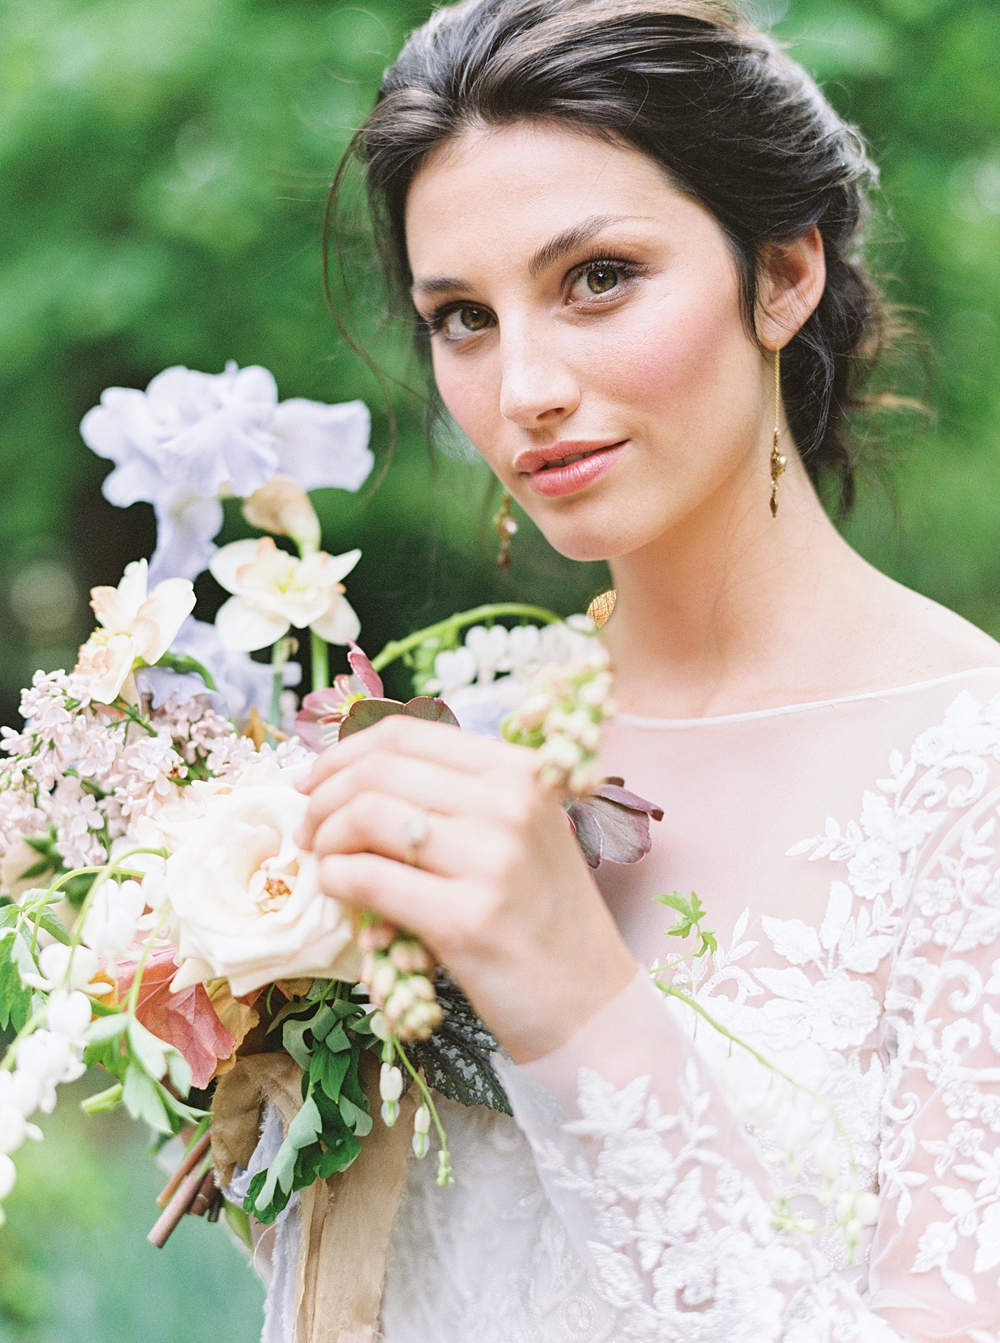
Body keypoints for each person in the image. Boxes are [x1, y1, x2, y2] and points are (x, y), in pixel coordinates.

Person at [295, 0, 1000, 1337]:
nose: (526, 389)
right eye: (462, 317)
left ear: (782, 274)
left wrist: (578, 1004)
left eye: (597, 278)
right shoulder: (453, 741)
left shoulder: (976, 781)